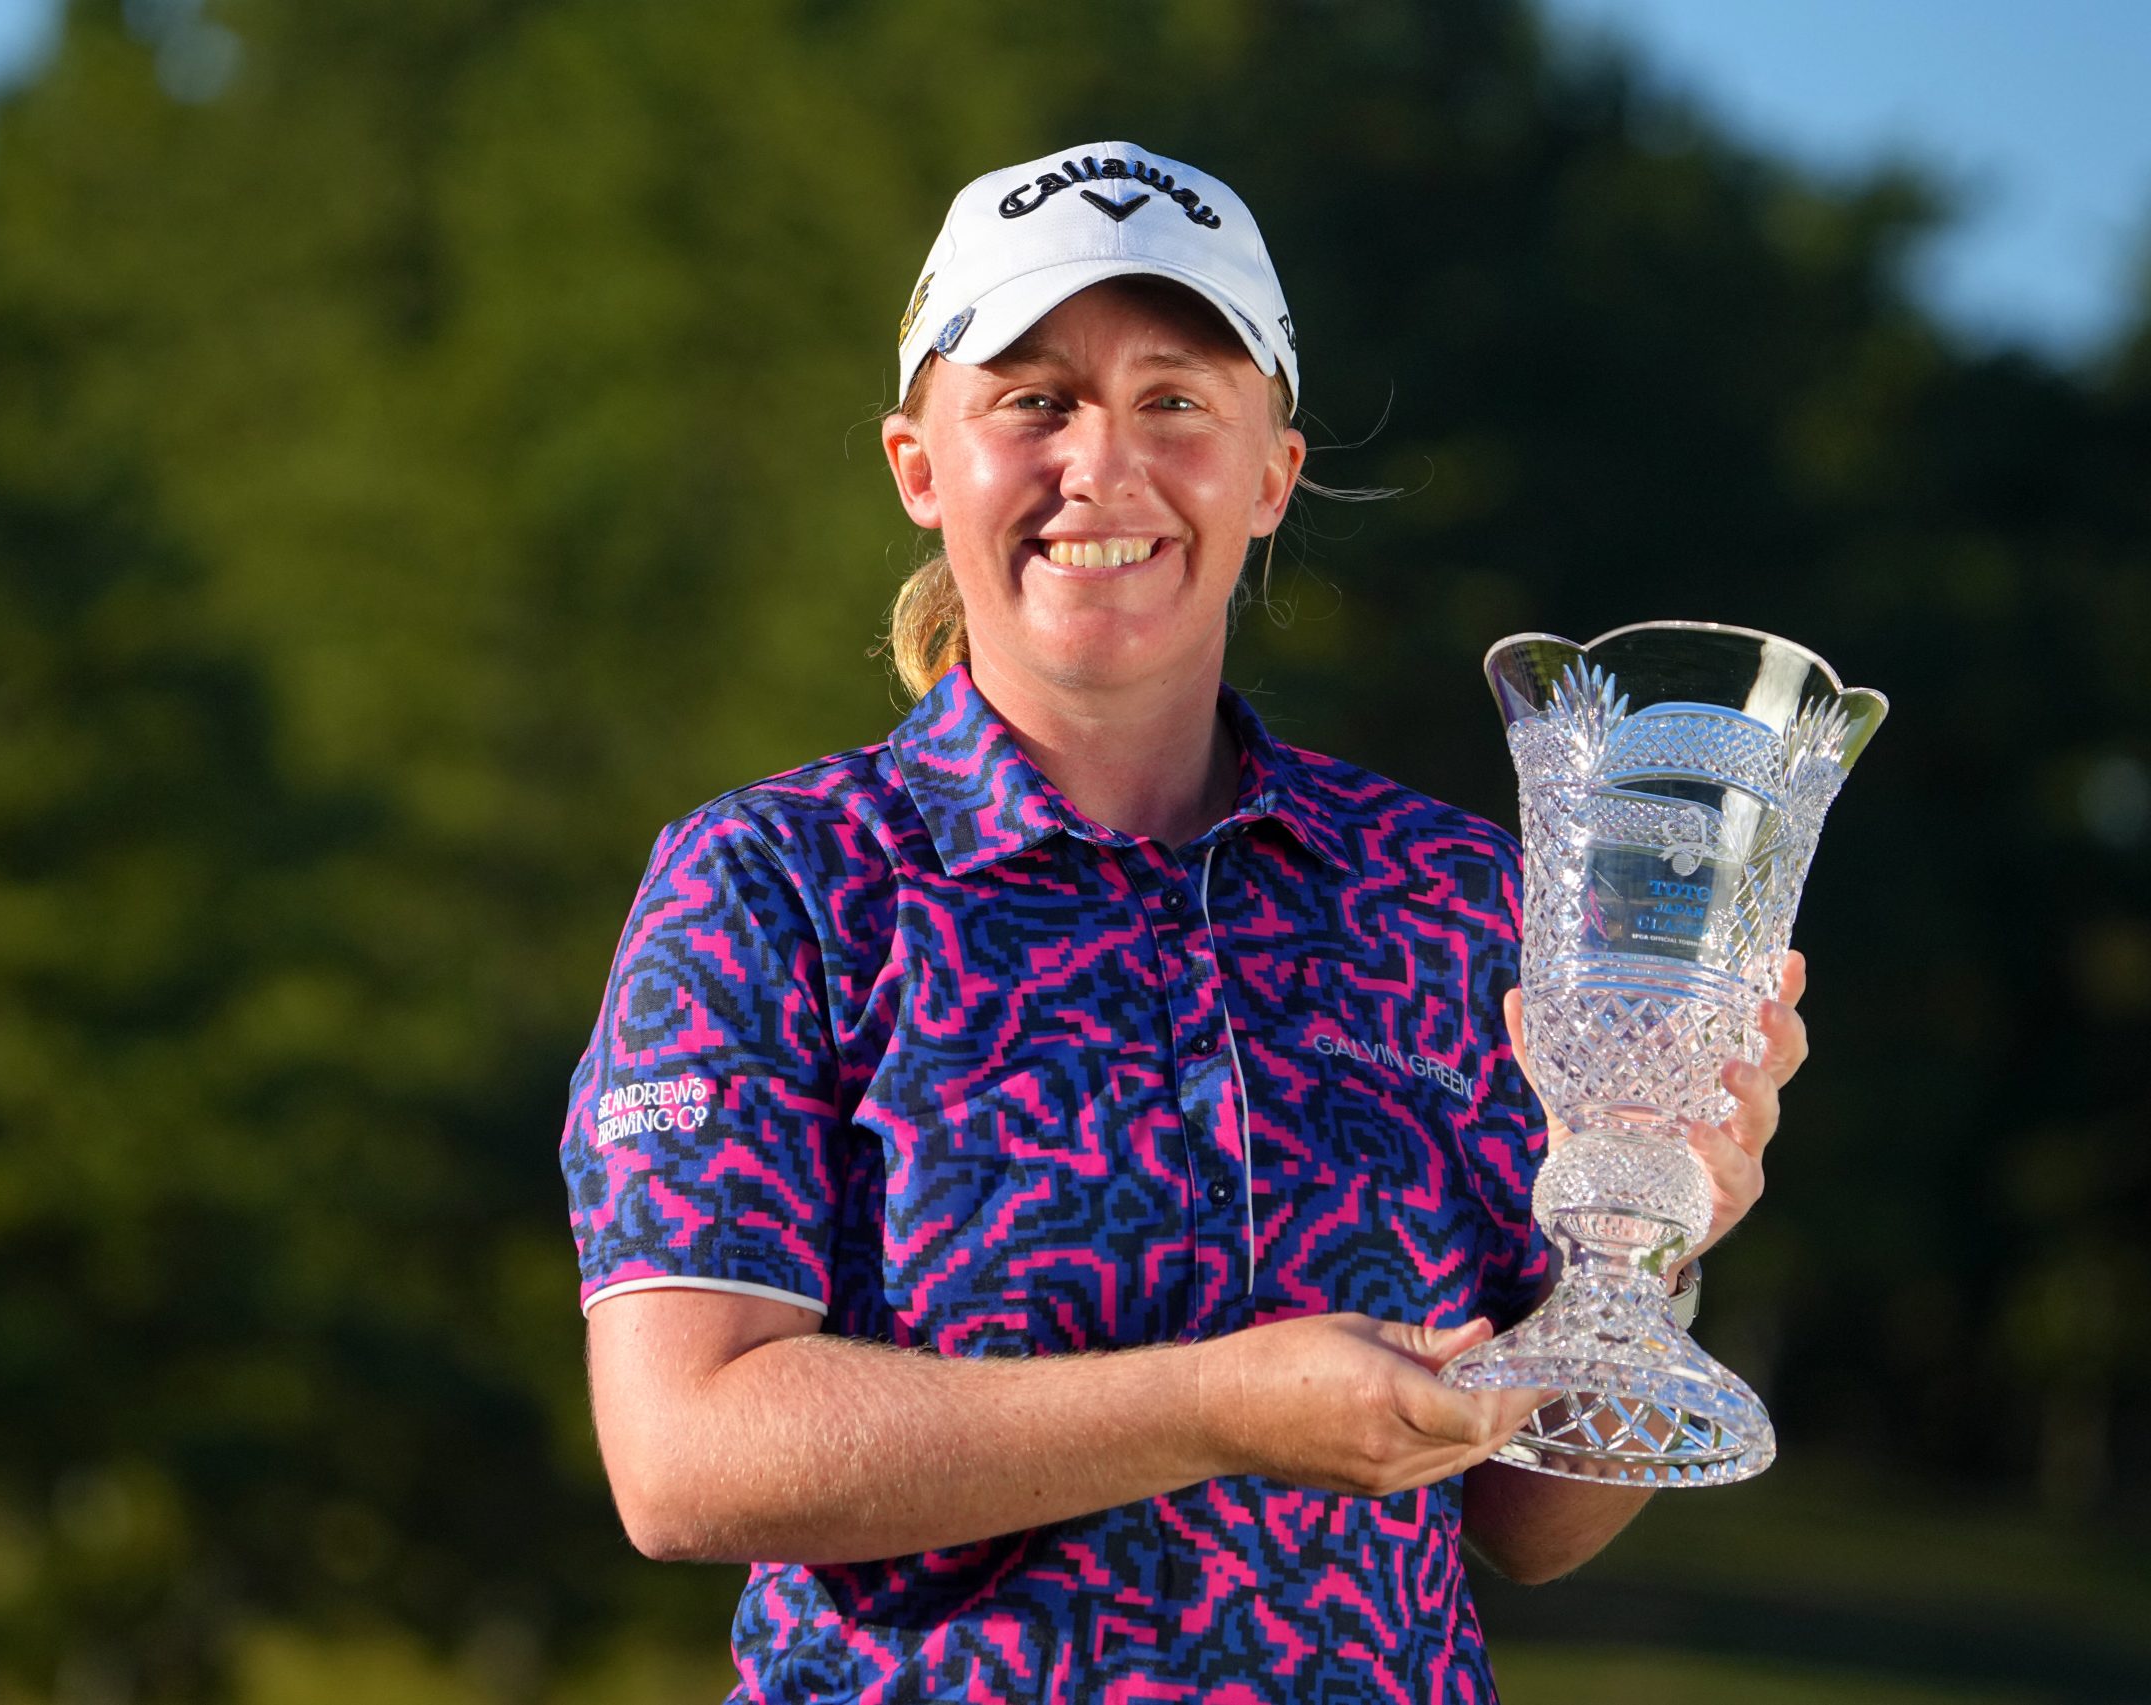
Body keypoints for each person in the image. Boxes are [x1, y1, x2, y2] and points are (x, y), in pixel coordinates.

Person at [559, 142, 1807, 1704]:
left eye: (1177, 400)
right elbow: (684, 1454)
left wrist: (1661, 1244)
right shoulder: (772, 882)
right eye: (1034, 397)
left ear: (1272, 471)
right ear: (920, 463)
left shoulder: (1451, 895)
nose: (1105, 463)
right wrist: (1217, 1405)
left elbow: (1532, 1521)